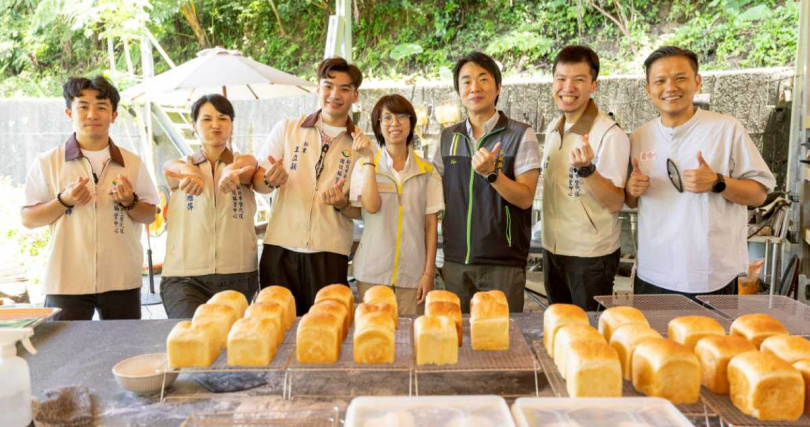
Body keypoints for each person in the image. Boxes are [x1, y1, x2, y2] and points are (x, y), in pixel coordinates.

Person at [625, 46, 775, 297]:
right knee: (653, 338)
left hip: (711, 273)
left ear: (697, 82)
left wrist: (718, 182)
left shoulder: (726, 129)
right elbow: (630, 200)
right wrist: (632, 189)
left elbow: (759, 194)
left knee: (710, 338)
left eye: (680, 78)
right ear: (648, 89)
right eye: (660, 81)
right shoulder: (640, 136)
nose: (670, 87)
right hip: (654, 272)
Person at [20, 76, 158, 320]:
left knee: (123, 353)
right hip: (65, 280)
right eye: (83, 106)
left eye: (102, 107)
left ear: (114, 115)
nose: (92, 114)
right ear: (68, 113)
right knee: (66, 355)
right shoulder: (48, 162)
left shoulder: (132, 162)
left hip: (121, 279)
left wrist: (130, 202)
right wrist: (64, 200)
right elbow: (29, 219)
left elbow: (149, 215)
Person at [254, 57, 371, 315]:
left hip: (329, 253)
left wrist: (342, 204)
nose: (334, 95)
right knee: (274, 326)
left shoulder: (362, 146)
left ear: (355, 95)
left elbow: (366, 210)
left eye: (344, 89)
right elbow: (258, 181)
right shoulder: (287, 128)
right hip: (280, 249)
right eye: (328, 86)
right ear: (317, 89)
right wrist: (268, 180)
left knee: (326, 329)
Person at [433, 51, 541, 313]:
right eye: (466, 81)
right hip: (456, 260)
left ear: (498, 88)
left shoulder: (520, 134)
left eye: (483, 79)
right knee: (457, 340)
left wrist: (493, 174)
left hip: (502, 262)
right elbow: (433, 192)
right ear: (459, 91)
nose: (475, 88)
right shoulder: (448, 137)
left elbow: (525, 197)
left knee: (503, 338)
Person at [540, 45, 629, 311]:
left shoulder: (609, 134)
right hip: (552, 248)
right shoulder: (554, 129)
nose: (568, 87)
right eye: (561, 79)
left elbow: (616, 202)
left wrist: (587, 170)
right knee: (559, 326)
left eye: (579, 80)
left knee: (589, 335)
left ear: (593, 86)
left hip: (590, 256)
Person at [160, 94, 259, 318]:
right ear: (194, 126)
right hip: (184, 278)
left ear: (231, 124)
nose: (215, 125)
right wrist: (190, 171)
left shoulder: (244, 166)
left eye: (223, 118)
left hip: (238, 274)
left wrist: (230, 171)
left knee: (232, 346)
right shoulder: (181, 167)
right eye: (206, 119)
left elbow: (250, 166)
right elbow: (170, 168)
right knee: (190, 340)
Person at [347, 94, 444, 315]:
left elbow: (431, 226)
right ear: (378, 126)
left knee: (410, 342)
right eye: (387, 118)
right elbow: (369, 207)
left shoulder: (428, 172)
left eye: (402, 117)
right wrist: (370, 160)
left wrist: (428, 274)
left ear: (411, 123)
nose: (395, 123)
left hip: (413, 275)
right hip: (371, 273)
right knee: (373, 338)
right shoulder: (363, 165)